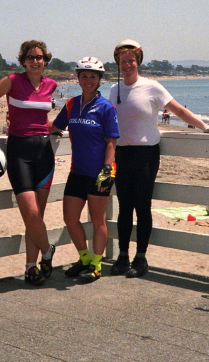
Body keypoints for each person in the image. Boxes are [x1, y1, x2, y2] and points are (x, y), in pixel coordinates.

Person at [108, 39, 209, 278]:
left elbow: (178, 110)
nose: (127, 65)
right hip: (122, 154)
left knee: (143, 206)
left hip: (146, 154)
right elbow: (109, 122)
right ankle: (122, 256)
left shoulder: (152, 87)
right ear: (117, 63)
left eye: (131, 60)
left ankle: (140, 257)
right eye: (122, 61)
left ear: (138, 61)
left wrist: (203, 126)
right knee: (124, 208)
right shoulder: (113, 89)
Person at [0, 40, 58, 286]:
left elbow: (43, 117)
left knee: (37, 216)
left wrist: (58, 129)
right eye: (31, 57)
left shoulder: (51, 84)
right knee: (30, 212)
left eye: (40, 57)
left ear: (46, 60)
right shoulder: (13, 80)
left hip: (44, 152)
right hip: (18, 152)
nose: (35, 61)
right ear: (23, 60)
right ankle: (48, 251)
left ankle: (31, 267)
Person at [49, 57, 119, 283]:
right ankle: (85, 259)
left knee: (98, 220)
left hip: (100, 173)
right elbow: (54, 126)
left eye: (93, 77)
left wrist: (107, 168)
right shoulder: (71, 104)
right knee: (70, 218)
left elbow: (111, 141)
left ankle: (96, 265)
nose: (88, 80)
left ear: (100, 80)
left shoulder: (106, 107)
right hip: (77, 172)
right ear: (78, 78)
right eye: (84, 76)